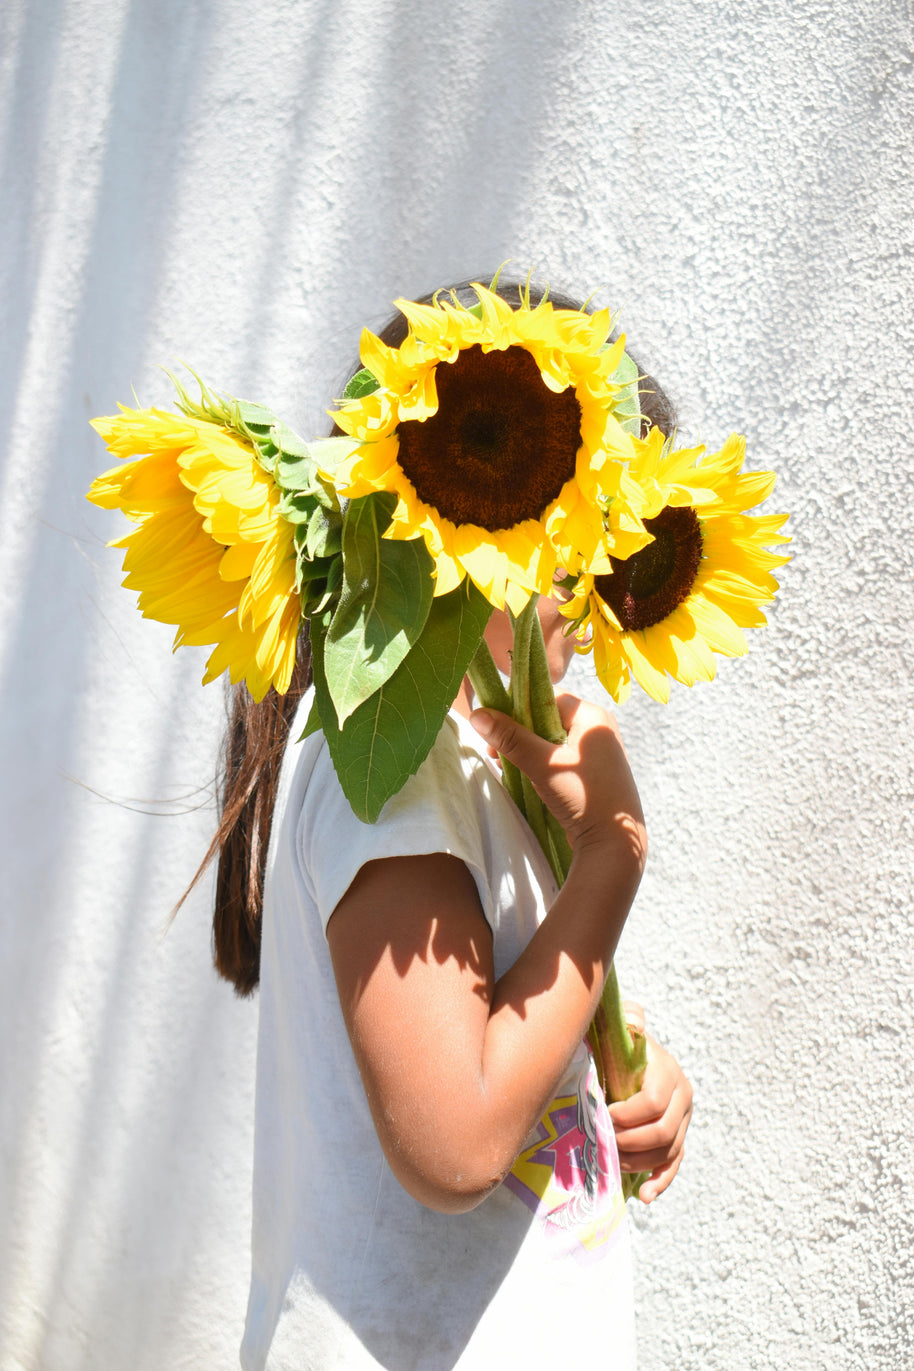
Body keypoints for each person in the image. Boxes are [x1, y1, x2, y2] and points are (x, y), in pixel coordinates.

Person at [206, 281, 693, 1369]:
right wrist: (612, 860)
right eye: (590, 518)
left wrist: (623, 1069)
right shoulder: (392, 773)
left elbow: (511, 1014)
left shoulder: (483, 755)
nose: (615, 566)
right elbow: (456, 1139)